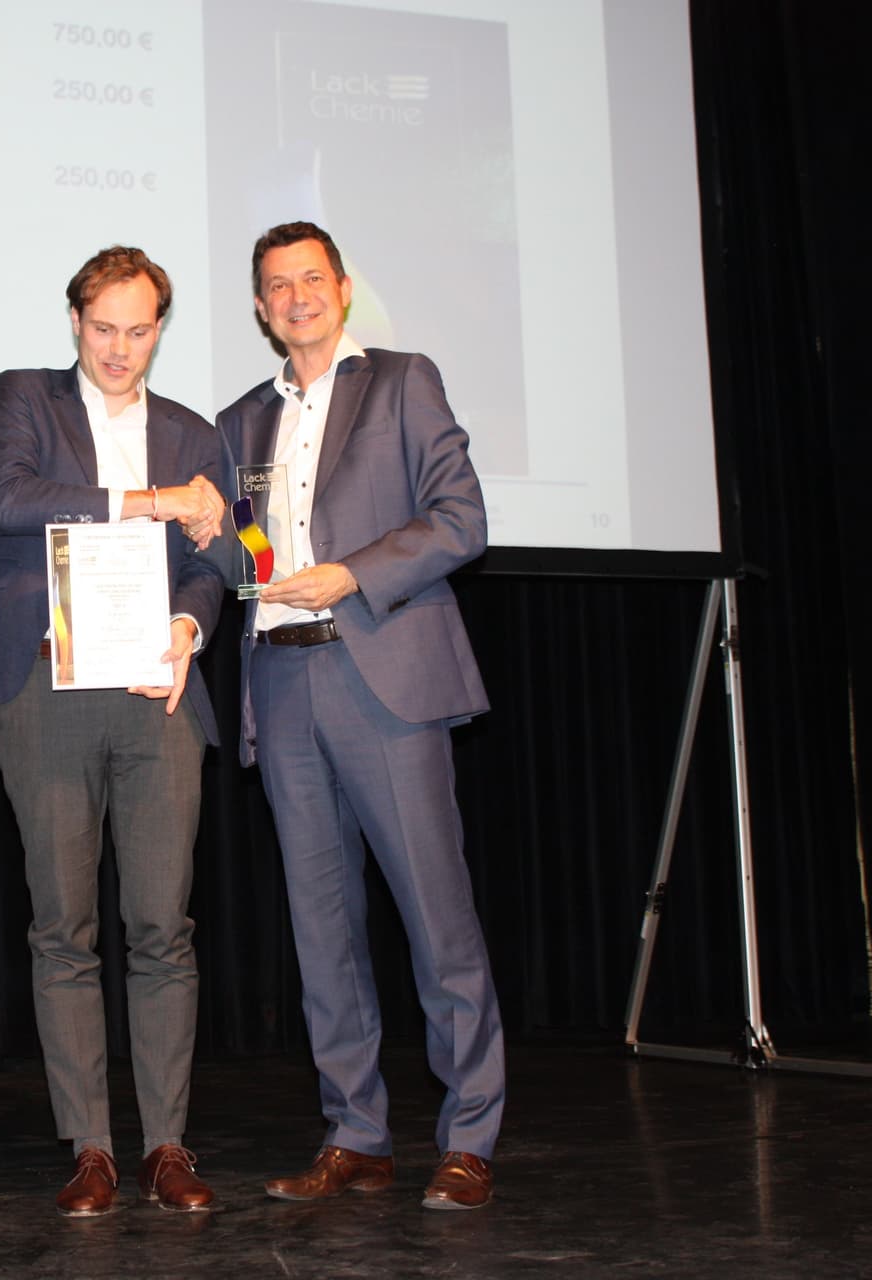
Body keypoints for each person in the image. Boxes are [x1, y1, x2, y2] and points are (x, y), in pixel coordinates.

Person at [0, 246, 226, 1217]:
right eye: (102, 328)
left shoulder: (194, 433)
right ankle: (91, 1146)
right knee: (64, 926)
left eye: (137, 330)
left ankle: (167, 1143)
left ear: (160, 330)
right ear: (74, 322)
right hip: (43, 685)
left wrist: (188, 627)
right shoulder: (23, 398)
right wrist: (153, 502)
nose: (119, 349)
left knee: (163, 925)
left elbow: (215, 562)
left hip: (155, 694)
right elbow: (11, 501)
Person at [217, 221, 506, 1211]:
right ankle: (357, 1132)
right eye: (277, 285)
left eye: (311, 278)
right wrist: (207, 535)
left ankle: (469, 1137)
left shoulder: (402, 382)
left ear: (342, 289)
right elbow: (247, 549)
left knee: (436, 914)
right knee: (322, 927)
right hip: (280, 679)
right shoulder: (239, 421)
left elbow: (462, 518)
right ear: (261, 308)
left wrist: (351, 573)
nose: (296, 297)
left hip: (383, 672)